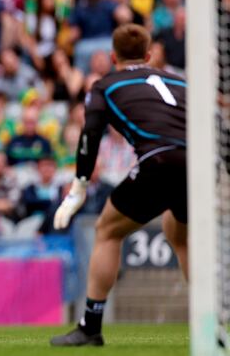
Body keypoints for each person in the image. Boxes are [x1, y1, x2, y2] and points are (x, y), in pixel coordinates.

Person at [50, 24, 186, 347]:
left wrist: (79, 186)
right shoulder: (180, 82)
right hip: (195, 164)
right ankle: (214, 320)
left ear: (113, 57)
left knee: (108, 231)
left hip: (157, 161)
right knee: (180, 234)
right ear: (149, 56)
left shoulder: (106, 85)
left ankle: (90, 326)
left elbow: (90, 134)